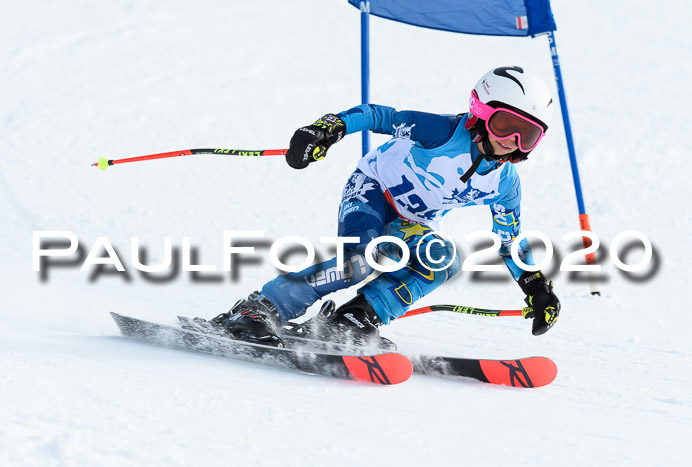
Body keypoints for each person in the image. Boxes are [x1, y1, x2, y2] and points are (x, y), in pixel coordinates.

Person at [211, 66, 561, 348]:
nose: (510, 142)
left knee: (444, 259)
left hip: (411, 220)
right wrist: (327, 129)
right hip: (372, 189)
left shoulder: (504, 183)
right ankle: (258, 309)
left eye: (526, 135)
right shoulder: (440, 131)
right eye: (505, 126)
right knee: (363, 259)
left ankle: (355, 318)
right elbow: (380, 116)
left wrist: (536, 287)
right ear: (480, 113)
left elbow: (508, 241)